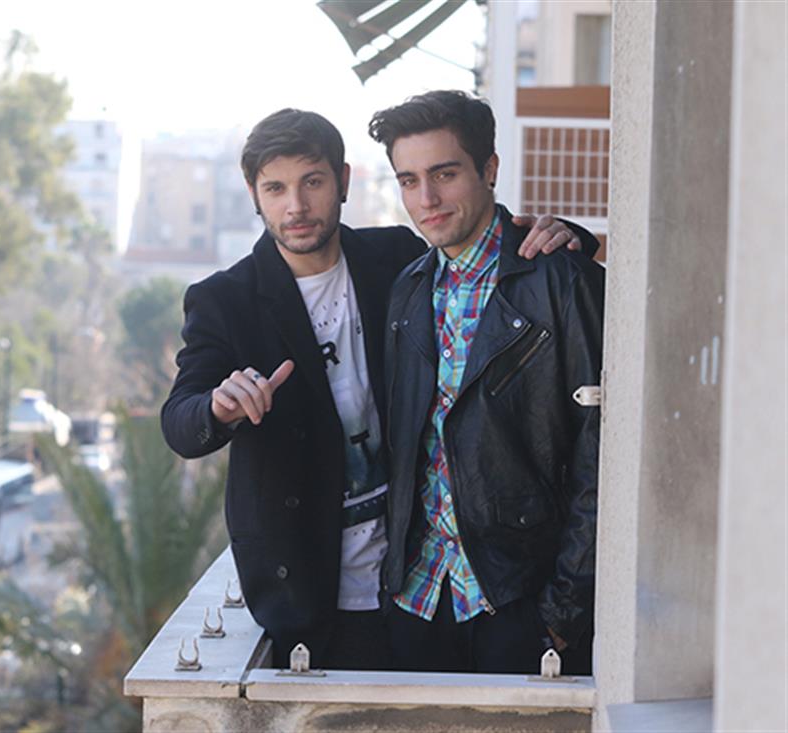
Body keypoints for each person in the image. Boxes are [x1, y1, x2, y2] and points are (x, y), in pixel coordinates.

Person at [160, 108, 595, 670]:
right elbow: (180, 420)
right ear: (253, 195)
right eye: (275, 189)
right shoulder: (226, 299)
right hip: (312, 588)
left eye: (312, 182)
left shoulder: (395, 259)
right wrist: (218, 408)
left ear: (342, 181)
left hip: (414, 578)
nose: (296, 206)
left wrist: (569, 237)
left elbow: (487, 250)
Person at [371, 90, 603, 675]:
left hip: (520, 599)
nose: (426, 199)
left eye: (444, 174)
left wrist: (563, 612)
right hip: (418, 598)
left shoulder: (561, 280)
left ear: (490, 169)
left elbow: (603, 453)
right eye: (409, 181)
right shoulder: (407, 290)